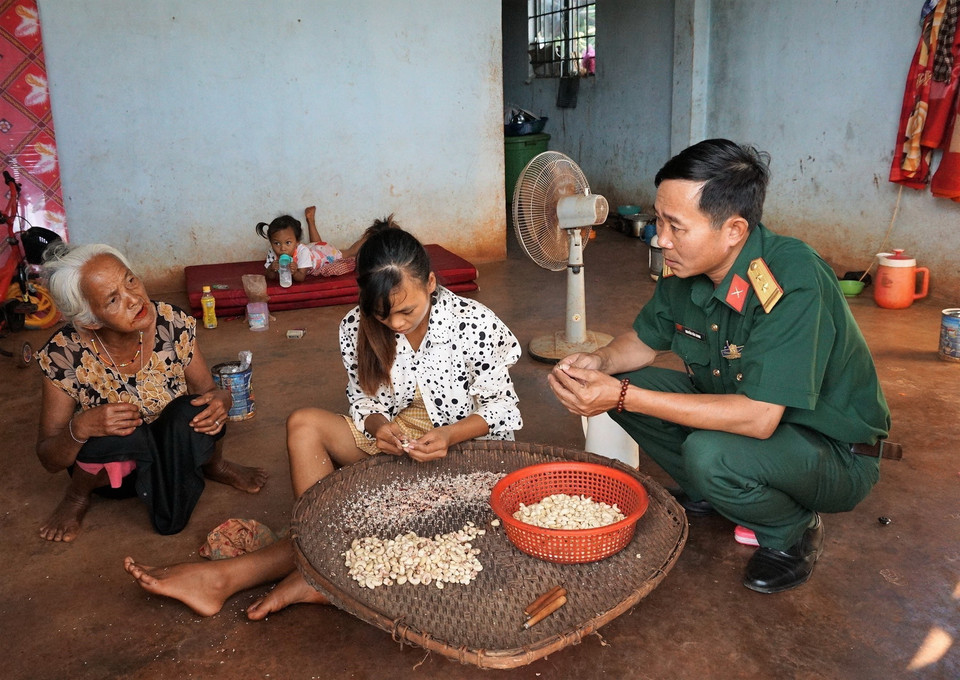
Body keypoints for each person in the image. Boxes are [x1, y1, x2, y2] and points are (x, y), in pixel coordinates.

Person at [123, 224, 522, 618]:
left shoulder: (471, 321)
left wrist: (448, 436)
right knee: (303, 424)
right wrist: (379, 427)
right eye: (383, 314)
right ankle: (313, 561)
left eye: (407, 311)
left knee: (392, 528)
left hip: (464, 450)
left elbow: (502, 407)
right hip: (402, 445)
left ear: (431, 283)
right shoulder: (357, 325)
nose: (397, 324)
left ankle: (261, 575)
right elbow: (364, 401)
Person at [548, 139, 891, 594]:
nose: (661, 239)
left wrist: (623, 395)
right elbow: (644, 341)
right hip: (751, 424)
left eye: (676, 226)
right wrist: (600, 361)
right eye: (658, 220)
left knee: (707, 452)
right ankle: (714, 491)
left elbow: (758, 417)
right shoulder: (685, 267)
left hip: (832, 452)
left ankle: (792, 530)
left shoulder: (792, 279)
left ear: (733, 230)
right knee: (625, 381)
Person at [35, 244, 268, 542]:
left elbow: (207, 392)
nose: (134, 299)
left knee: (196, 408)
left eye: (130, 280)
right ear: (90, 320)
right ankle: (77, 496)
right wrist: (81, 427)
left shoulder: (170, 322)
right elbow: (49, 458)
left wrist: (223, 398)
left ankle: (214, 464)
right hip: (117, 473)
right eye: (113, 299)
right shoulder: (63, 354)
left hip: (174, 452)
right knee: (117, 432)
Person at [257, 207, 389, 282]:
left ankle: (373, 233)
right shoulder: (272, 253)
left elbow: (301, 277)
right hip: (314, 247)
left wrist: (295, 271)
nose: (282, 248)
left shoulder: (302, 252)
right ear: (271, 242)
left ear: (297, 242)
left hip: (323, 255)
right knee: (316, 243)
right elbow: (269, 276)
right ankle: (310, 220)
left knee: (349, 252)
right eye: (276, 243)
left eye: (288, 242)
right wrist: (271, 269)